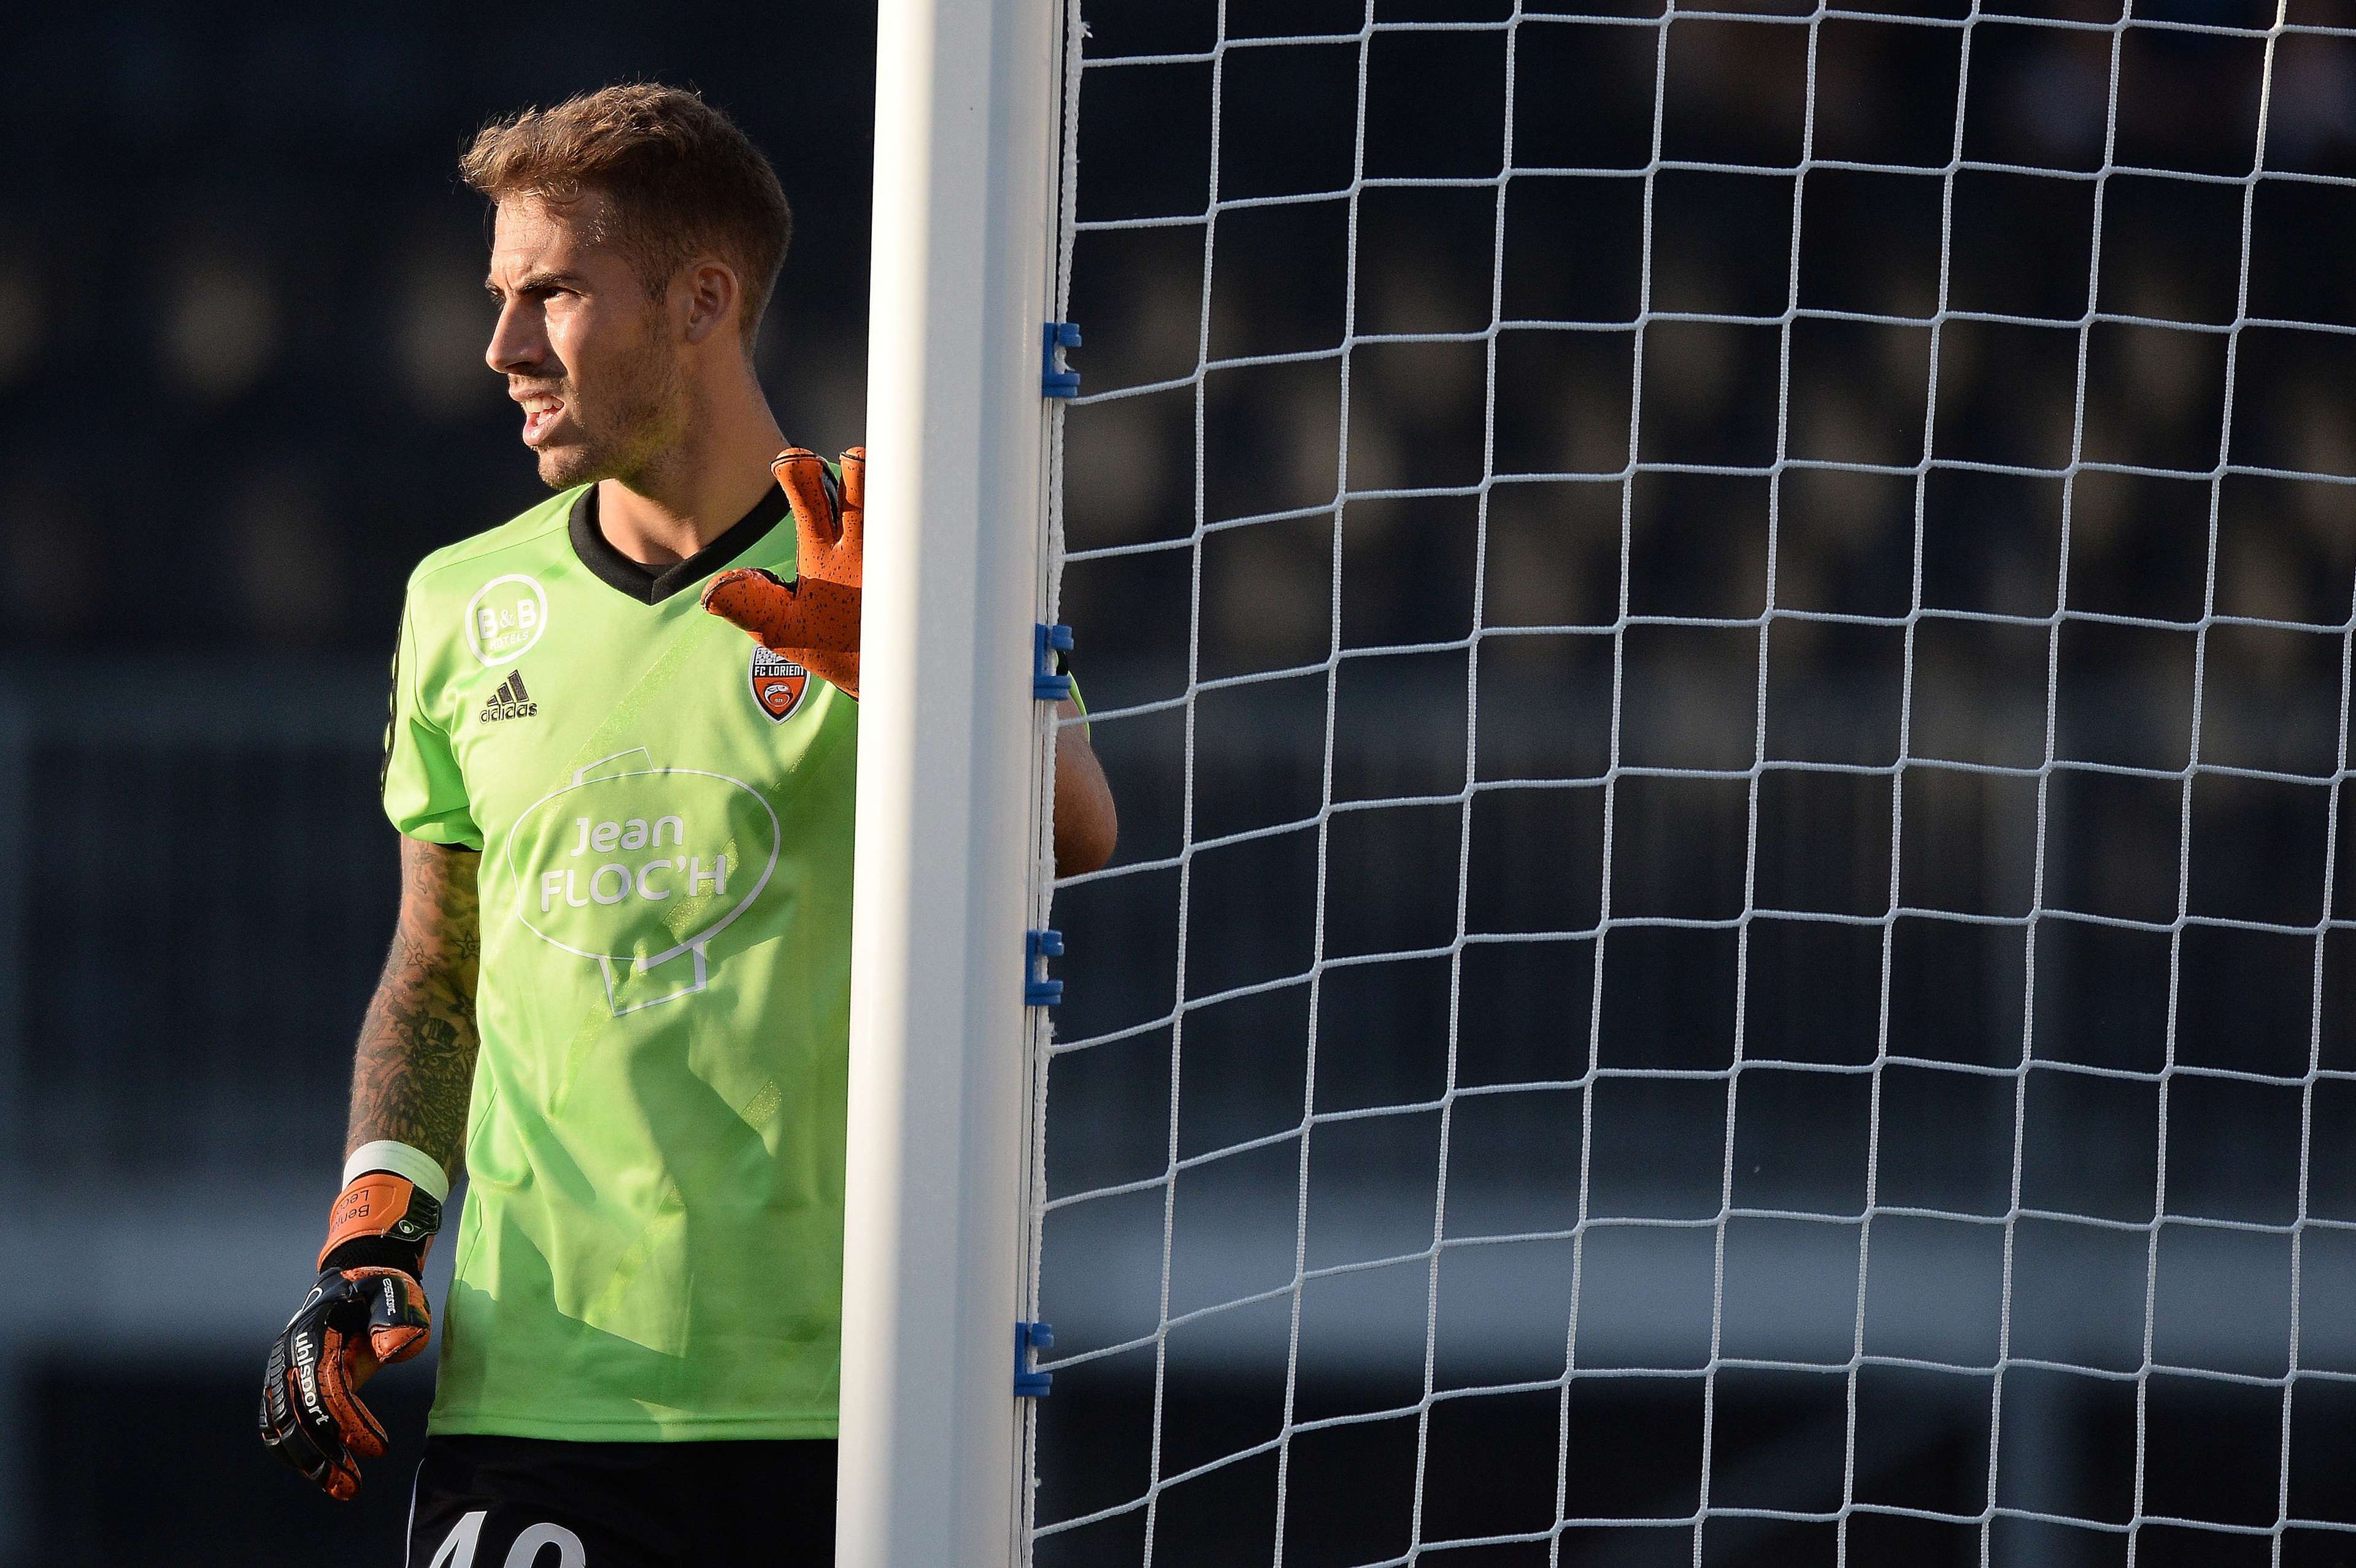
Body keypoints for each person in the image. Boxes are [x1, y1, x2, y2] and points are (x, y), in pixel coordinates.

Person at [255, 82, 1117, 1567]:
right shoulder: (463, 600)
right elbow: (436, 967)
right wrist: (374, 1233)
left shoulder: (894, 534)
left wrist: (899, 671)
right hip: (541, 1391)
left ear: (702, 300)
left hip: (849, 1396)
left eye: (553, 295)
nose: (503, 346)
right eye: (498, 297)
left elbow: (1080, 830)